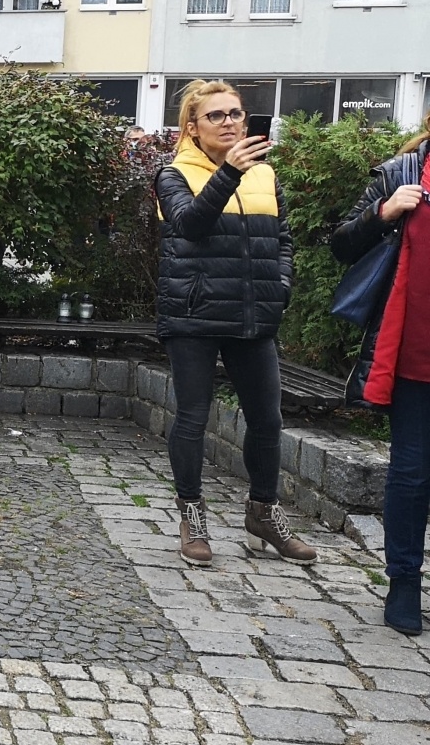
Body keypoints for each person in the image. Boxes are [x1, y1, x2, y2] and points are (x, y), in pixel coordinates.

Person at [157, 80, 313, 568]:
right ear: (193, 127)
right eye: (216, 116)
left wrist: (281, 286)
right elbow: (191, 225)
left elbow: (283, 238)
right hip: (195, 315)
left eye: (236, 114)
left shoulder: (265, 174)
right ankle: (192, 516)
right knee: (193, 417)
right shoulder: (173, 174)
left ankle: (263, 512)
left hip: (254, 315)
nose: (229, 122)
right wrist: (228, 172)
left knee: (268, 419)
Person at [332, 111, 430, 634]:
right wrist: (385, 211)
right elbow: (341, 243)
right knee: (412, 475)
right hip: (416, 357)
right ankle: (404, 582)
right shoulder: (402, 171)